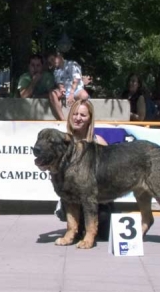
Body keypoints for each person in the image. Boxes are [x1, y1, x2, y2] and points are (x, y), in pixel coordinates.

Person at [55, 99, 112, 241]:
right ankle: (74, 226)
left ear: (89, 119)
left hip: (97, 201)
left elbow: (110, 175)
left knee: (104, 234)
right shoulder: (63, 142)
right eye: (75, 114)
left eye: (83, 115)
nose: (78, 118)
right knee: (78, 232)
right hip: (73, 199)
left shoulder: (98, 141)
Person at [48, 52, 89, 120]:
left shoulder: (72, 64)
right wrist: (61, 88)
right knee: (52, 94)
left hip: (76, 90)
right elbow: (59, 83)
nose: (52, 63)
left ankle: (78, 115)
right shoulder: (56, 71)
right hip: (65, 91)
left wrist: (71, 93)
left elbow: (76, 79)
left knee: (84, 95)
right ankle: (62, 119)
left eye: (52, 59)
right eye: (50, 62)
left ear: (59, 56)